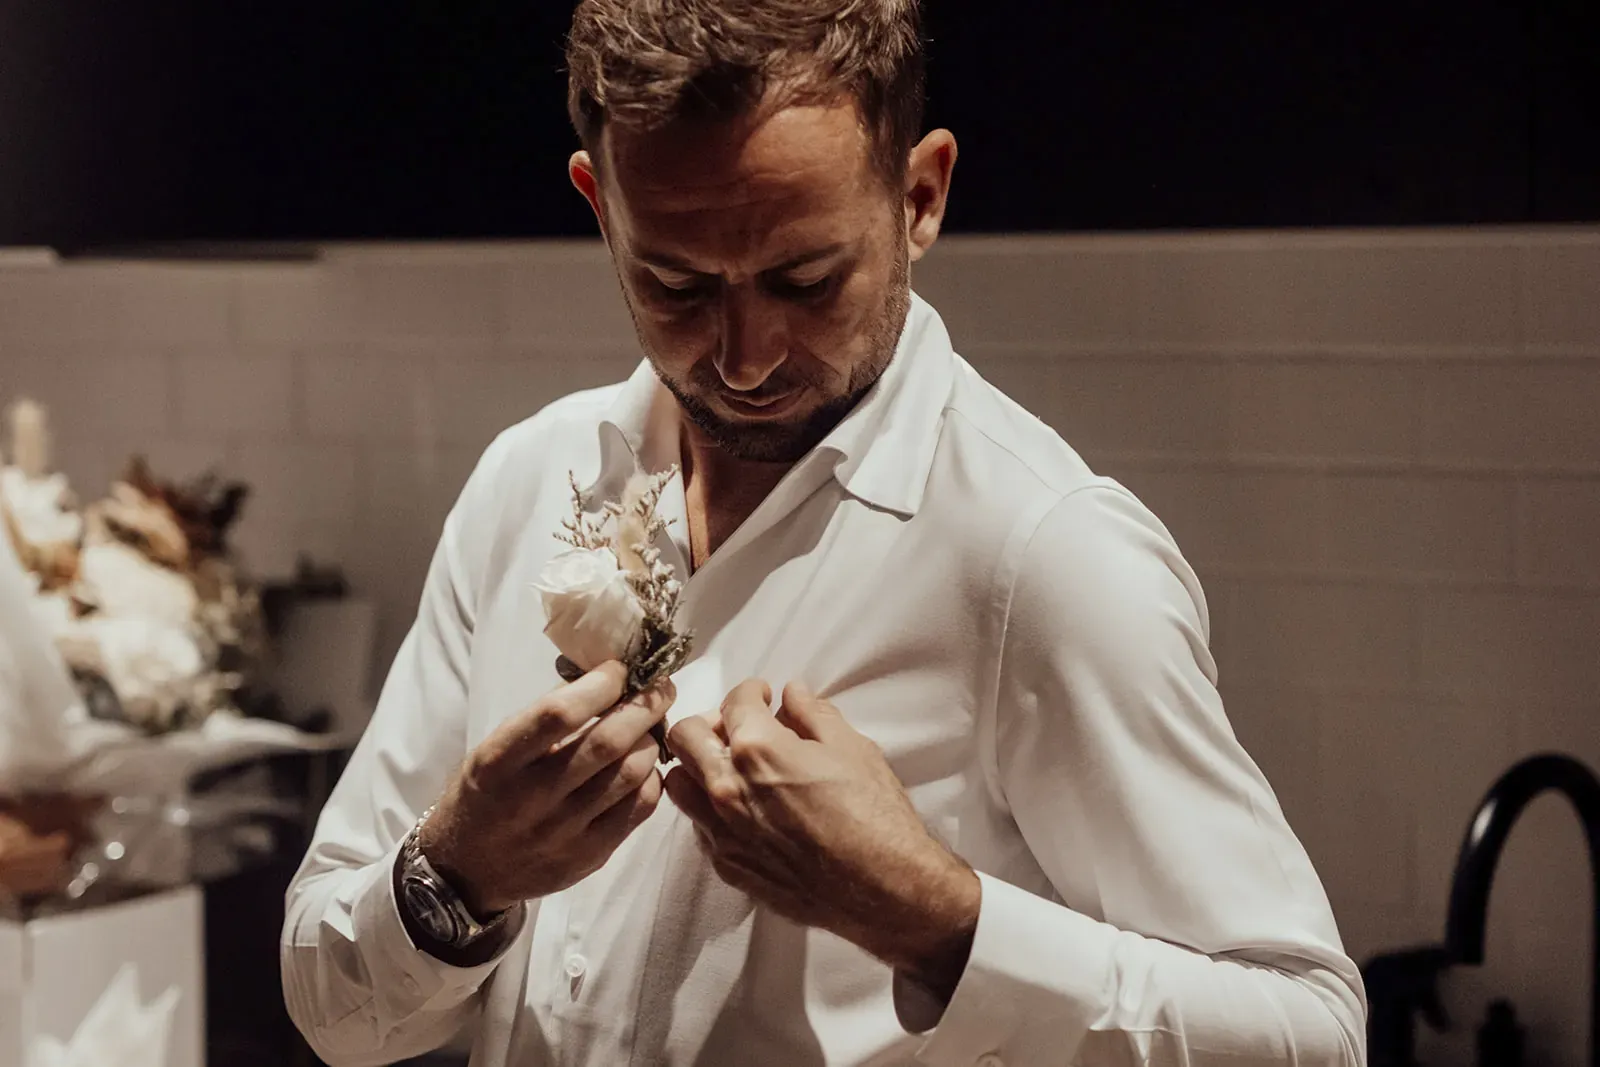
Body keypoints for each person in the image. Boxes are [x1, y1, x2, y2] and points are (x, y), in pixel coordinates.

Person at [281, 1, 1367, 1064]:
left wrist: (927, 916)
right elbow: (336, 1016)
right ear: (599, 206)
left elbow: (1311, 1031)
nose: (743, 357)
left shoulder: (1043, 554)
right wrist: (456, 874)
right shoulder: (527, 481)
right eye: (674, 283)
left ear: (921, 196)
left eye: (805, 281)